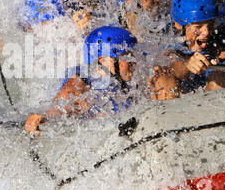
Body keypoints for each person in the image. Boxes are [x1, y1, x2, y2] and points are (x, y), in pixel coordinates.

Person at [23, 25, 178, 136]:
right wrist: (44, 117)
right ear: (104, 61)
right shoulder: (82, 81)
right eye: (126, 57)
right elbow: (62, 104)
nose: (133, 62)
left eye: (133, 56)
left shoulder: (139, 77)